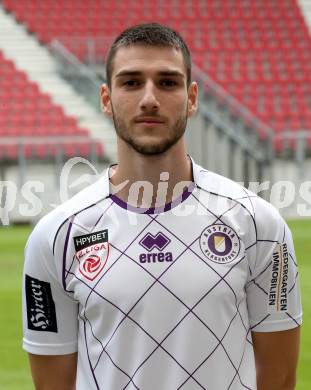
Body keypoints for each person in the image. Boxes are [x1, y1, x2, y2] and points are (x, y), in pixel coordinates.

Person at [23, 23, 302, 390]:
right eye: (131, 82)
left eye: (168, 83)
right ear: (106, 99)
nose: (149, 98)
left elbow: (279, 379)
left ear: (192, 97)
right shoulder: (55, 236)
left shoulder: (259, 225)